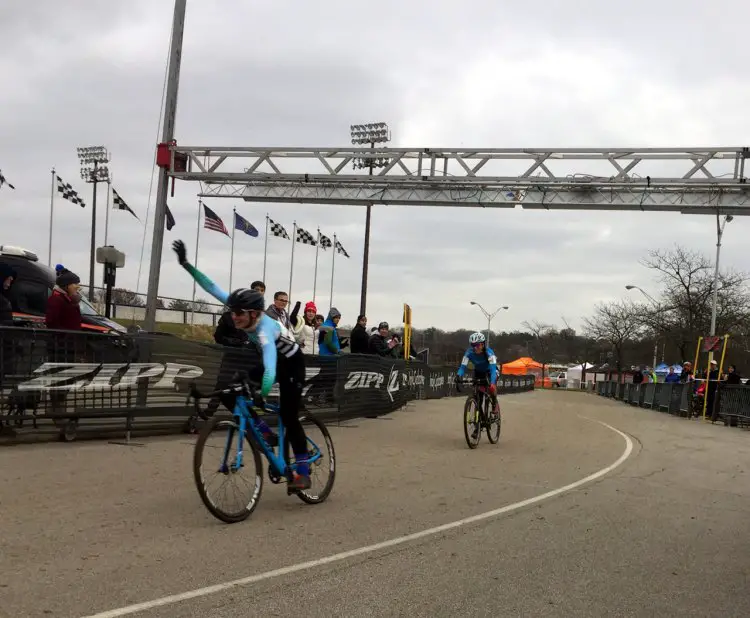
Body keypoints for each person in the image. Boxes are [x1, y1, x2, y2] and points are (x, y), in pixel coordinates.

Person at [172, 239, 311, 490]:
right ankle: (265, 433)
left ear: (254, 314)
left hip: (291, 363)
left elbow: (270, 368)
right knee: (229, 389)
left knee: (289, 415)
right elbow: (211, 287)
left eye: (239, 314)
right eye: (233, 312)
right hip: (274, 362)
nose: (234, 317)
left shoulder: (265, 329)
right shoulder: (243, 310)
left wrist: (261, 394)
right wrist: (185, 264)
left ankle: (303, 470)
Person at [456, 332, 499, 438]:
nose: (476, 348)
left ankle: (494, 403)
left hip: (490, 372)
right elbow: (462, 367)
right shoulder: (469, 352)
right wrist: (458, 376)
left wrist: (493, 383)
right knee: (477, 398)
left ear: (483, 344)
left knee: (491, 388)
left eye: (478, 345)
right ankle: (477, 427)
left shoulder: (489, 353)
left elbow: (493, 369)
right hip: (478, 372)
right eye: (473, 345)